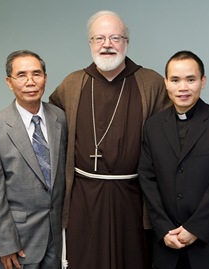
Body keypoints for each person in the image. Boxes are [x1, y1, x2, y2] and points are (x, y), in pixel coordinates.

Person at [49, 10, 171, 269]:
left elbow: (182, 116)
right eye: (99, 38)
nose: (107, 44)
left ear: (126, 42)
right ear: (90, 43)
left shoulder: (150, 82)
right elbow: (44, 118)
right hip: (83, 196)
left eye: (115, 37)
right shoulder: (73, 83)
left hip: (133, 198)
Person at [138, 50, 209, 269]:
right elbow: (148, 179)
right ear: (165, 83)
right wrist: (164, 228)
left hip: (208, 242)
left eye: (190, 79)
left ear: (203, 81)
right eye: (175, 80)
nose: (182, 87)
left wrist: (195, 228)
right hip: (166, 243)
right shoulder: (153, 126)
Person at [0, 50, 67, 269]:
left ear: (45, 78)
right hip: (18, 243)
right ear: (9, 82)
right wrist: (5, 244)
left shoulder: (61, 118)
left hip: (57, 240)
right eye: (22, 75)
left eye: (36, 74)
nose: (30, 82)